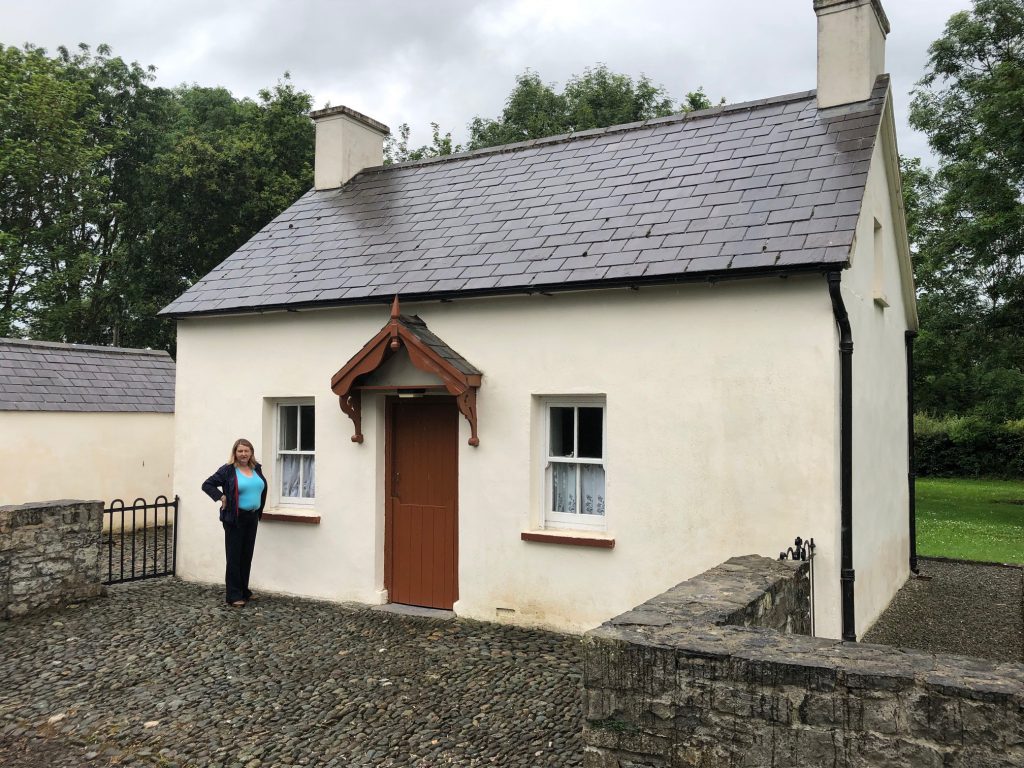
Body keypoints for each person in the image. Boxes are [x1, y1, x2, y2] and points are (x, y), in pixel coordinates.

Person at [202, 438, 268, 607]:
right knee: (234, 557)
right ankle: (234, 595)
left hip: (252, 518)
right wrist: (221, 497)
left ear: (251, 452)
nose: (243, 454)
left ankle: (244, 590)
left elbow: (260, 489)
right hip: (235, 518)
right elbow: (207, 485)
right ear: (235, 453)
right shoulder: (228, 470)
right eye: (240, 451)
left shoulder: (256, 468)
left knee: (246, 556)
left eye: (246, 451)